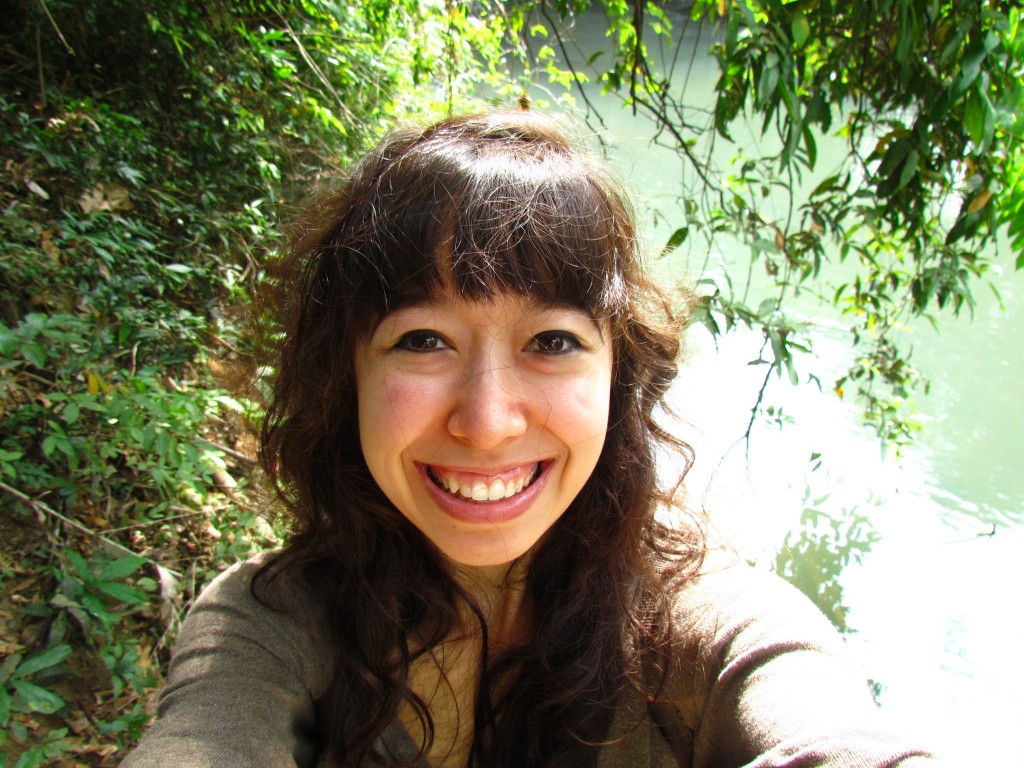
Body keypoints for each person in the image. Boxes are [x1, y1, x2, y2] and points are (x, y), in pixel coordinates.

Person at [122, 111, 942, 767]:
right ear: (346, 377)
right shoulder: (273, 623)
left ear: (620, 378)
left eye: (552, 342)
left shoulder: (689, 616)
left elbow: (805, 703)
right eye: (421, 339)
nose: (487, 420)